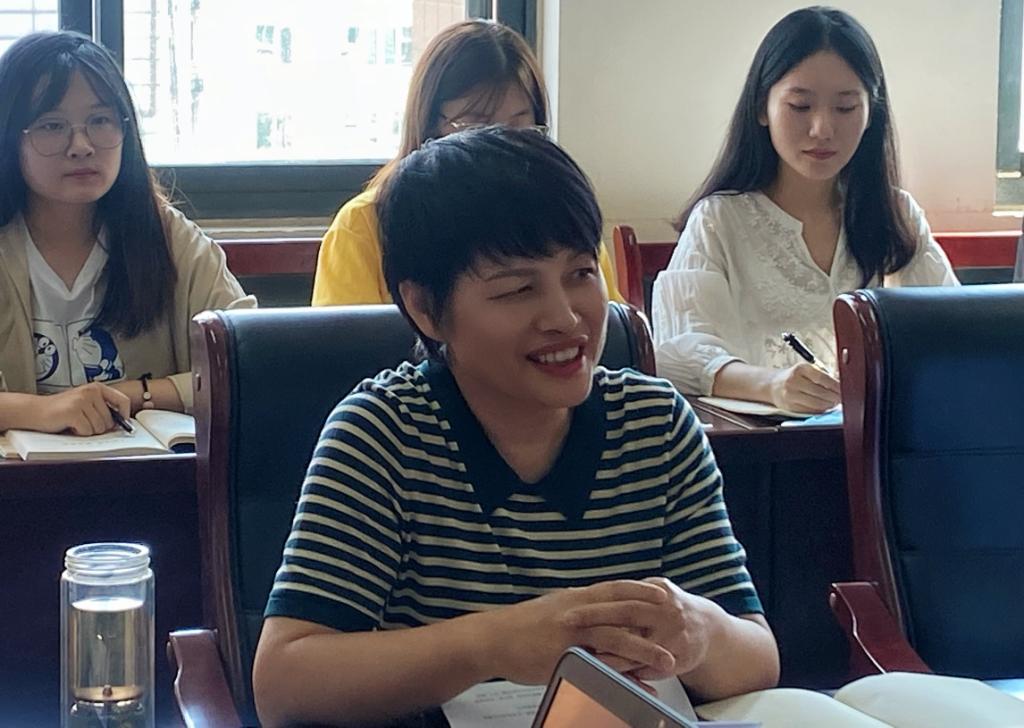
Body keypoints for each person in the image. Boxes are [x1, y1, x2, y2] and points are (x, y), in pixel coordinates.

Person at [253, 127, 778, 727]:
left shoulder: (656, 425)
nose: (566, 317)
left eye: (581, 273)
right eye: (518, 289)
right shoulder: (383, 434)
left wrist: (700, 631)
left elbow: (758, 658)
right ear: (425, 308)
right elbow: (283, 683)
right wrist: (494, 643)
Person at [652, 6, 958, 413]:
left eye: (846, 108)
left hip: (883, 440)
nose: (822, 129)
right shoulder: (719, 221)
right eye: (800, 106)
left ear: (872, 113)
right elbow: (677, 354)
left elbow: (954, 332)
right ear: (761, 108)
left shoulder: (897, 213)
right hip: (768, 446)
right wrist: (771, 385)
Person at [0, 31, 254, 435]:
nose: (81, 145)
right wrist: (42, 411)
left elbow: (250, 359)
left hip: (146, 470)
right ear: (10, 138)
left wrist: (138, 394)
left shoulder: (168, 238)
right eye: (52, 125)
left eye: (100, 121)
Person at [311, 19, 624, 306]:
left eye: (519, 130)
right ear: (429, 127)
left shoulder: (562, 217)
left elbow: (614, 329)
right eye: (478, 129)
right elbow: (347, 345)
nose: (502, 149)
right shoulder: (366, 226)